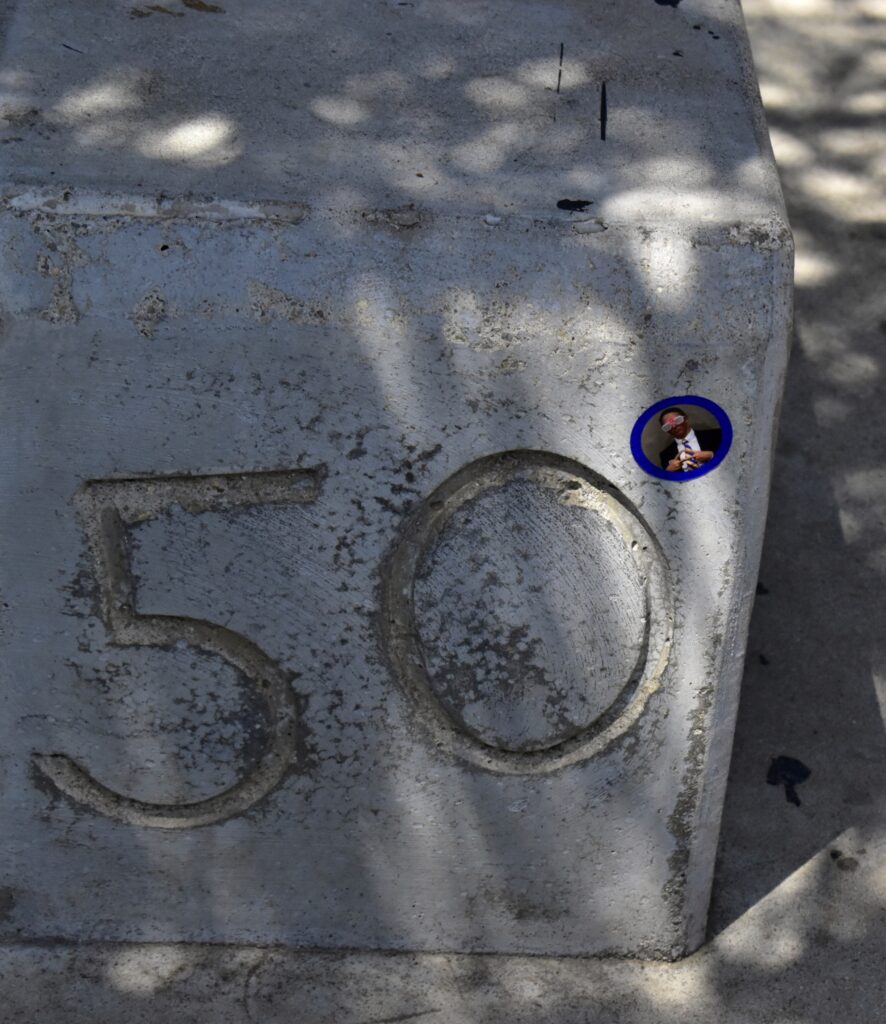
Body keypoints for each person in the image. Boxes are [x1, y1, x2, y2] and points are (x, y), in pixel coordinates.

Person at [658, 407, 722, 472]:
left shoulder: (715, 435)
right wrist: (668, 472)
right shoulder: (665, 455)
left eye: (677, 420)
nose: (674, 426)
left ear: (686, 419)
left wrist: (712, 455)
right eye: (667, 426)